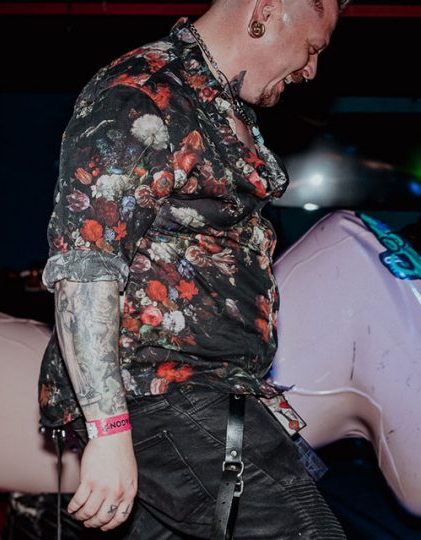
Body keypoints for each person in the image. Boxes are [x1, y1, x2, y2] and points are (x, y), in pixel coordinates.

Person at [35, 0, 347, 537]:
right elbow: (86, 267)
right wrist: (109, 430)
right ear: (266, 11)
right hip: (163, 391)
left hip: (205, 390)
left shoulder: (218, 102)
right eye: (312, 48)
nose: (312, 70)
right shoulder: (142, 93)